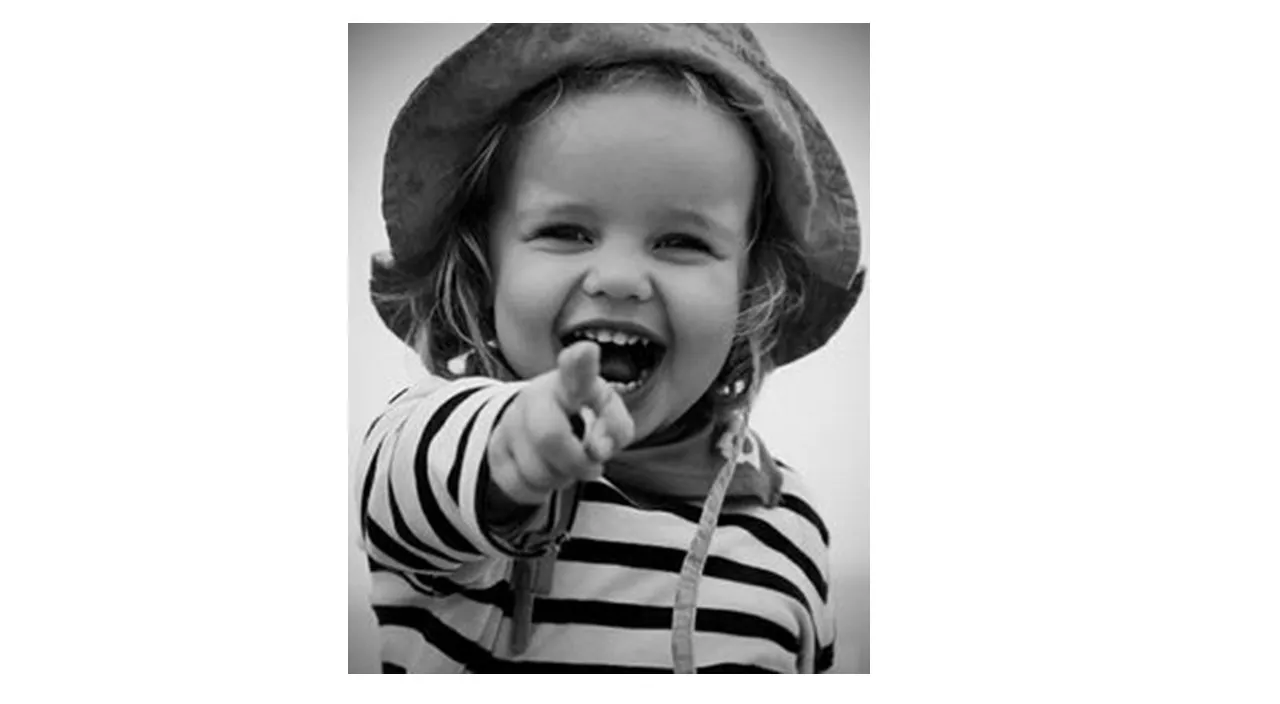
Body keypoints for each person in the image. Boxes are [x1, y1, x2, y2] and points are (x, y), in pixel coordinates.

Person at [355, 23, 865, 673]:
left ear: (749, 288)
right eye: (566, 231)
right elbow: (424, 470)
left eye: (681, 241)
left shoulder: (789, 521)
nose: (620, 278)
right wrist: (513, 447)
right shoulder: (437, 444)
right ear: (488, 270)